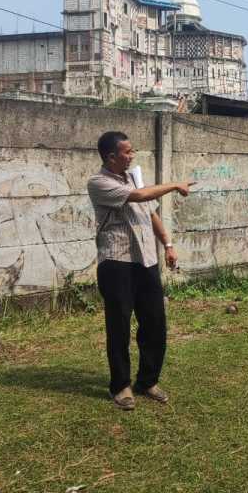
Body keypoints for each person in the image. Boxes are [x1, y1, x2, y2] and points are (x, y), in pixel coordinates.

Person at [87, 130, 195, 411]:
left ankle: (147, 381)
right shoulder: (98, 182)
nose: (132, 156)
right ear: (111, 157)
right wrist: (174, 185)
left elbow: (152, 212)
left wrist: (168, 245)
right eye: (127, 152)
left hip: (146, 260)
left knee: (155, 323)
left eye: (132, 151)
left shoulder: (134, 177)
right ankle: (120, 386)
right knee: (119, 326)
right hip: (117, 262)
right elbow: (138, 196)